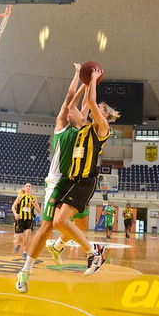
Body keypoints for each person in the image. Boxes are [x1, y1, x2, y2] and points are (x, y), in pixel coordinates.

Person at [16, 63, 98, 293]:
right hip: (56, 181)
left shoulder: (82, 127)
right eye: (72, 110)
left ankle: (59, 246)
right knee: (47, 227)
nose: (75, 111)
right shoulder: (62, 126)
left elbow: (85, 106)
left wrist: (89, 85)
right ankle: (25, 271)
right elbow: (69, 99)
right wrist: (78, 77)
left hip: (74, 182)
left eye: (78, 111)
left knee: (80, 222)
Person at [52, 67, 119, 275]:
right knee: (57, 221)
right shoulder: (84, 125)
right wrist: (84, 82)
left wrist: (92, 79)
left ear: (105, 114)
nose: (95, 109)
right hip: (72, 179)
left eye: (100, 109)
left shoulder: (103, 128)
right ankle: (64, 245)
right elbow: (76, 106)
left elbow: (90, 103)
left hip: (85, 180)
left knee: (62, 221)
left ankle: (94, 252)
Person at [12, 183, 41, 259]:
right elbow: (13, 207)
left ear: (31, 188)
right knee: (21, 237)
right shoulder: (20, 197)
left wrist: (35, 205)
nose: (28, 187)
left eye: (29, 186)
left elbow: (39, 211)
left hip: (29, 219)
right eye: (27, 186)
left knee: (28, 236)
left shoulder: (33, 198)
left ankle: (25, 252)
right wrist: (15, 214)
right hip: (20, 218)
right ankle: (18, 244)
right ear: (24, 188)